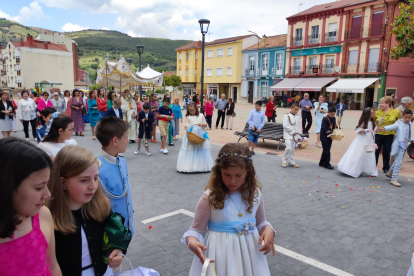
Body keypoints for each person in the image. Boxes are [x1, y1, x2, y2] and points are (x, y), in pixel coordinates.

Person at [182, 143, 275, 276]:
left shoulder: (255, 195)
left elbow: (261, 222)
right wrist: (192, 242)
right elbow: (195, 231)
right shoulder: (210, 197)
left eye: (238, 175)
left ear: (248, 173)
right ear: (219, 172)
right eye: (227, 174)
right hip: (220, 256)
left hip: (250, 257)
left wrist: (268, 230)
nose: (232, 181)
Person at [47, 146, 123, 276]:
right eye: (84, 180)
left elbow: (115, 231)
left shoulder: (100, 206)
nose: (93, 186)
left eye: (95, 178)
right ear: (63, 182)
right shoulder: (49, 218)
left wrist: (117, 249)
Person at [0, 137, 61, 276]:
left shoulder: (42, 215)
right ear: (7, 186)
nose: (48, 194)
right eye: (39, 188)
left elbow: (52, 266)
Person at [95, 117, 135, 235]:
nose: (128, 141)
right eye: (126, 138)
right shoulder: (98, 169)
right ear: (115, 141)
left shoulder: (121, 160)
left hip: (126, 227)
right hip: (112, 233)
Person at [338, 108, 378, 178]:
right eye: (372, 113)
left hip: (369, 140)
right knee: (359, 154)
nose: (373, 114)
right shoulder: (364, 122)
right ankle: (353, 169)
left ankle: (368, 169)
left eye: (373, 112)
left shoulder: (373, 123)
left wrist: (379, 126)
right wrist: (366, 130)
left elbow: (376, 131)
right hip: (361, 140)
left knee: (368, 154)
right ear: (368, 115)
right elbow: (358, 130)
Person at [379, 109, 413, 187]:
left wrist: (411, 139)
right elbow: (393, 126)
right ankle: (394, 179)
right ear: (402, 117)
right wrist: (384, 128)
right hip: (398, 145)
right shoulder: (399, 123)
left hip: (404, 144)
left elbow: (408, 134)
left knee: (398, 160)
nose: (407, 119)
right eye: (406, 117)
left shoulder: (409, 124)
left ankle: (390, 172)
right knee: (399, 162)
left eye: (409, 117)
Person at [177, 103, 213, 172]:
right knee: (191, 149)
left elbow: (206, 124)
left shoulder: (201, 115)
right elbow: (186, 126)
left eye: (193, 110)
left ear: (196, 109)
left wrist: (201, 124)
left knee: (200, 149)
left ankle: (201, 166)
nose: (192, 112)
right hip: (192, 134)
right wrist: (187, 127)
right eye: (190, 111)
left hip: (200, 135)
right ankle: (190, 167)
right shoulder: (188, 117)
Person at [375, 96, 401, 173]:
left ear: (388, 104)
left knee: (386, 151)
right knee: (376, 150)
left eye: (382, 103)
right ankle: (373, 166)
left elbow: (399, 123)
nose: (380, 104)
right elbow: (372, 122)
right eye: (380, 103)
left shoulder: (395, 112)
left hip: (389, 135)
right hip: (378, 134)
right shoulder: (377, 112)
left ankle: (386, 167)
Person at [282, 103, 301, 168]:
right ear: (291, 108)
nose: (296, 111)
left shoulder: (297, 116)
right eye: (295, 109)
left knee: (292, 149)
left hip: (295, 136)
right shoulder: (287, 115)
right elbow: (285, 126)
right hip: (288, 135)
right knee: (288, 148)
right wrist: (292, 132)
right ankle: (284, 161)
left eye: (297, 110)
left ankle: (291, 162)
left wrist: (299, 136)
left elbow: (298, 126)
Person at [319, 106, 337, 170]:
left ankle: (321, 162)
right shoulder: (325, 119)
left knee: (326, 149)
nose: (332, 115)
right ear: (328, 112)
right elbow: (324, 127)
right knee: (327, 150)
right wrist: (329, 132)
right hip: (324, 136)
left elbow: (333, 125)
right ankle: (327, 163)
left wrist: (335, 126)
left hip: (330, 136)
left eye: (334, 114)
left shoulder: (334, 118)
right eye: (331, 114)